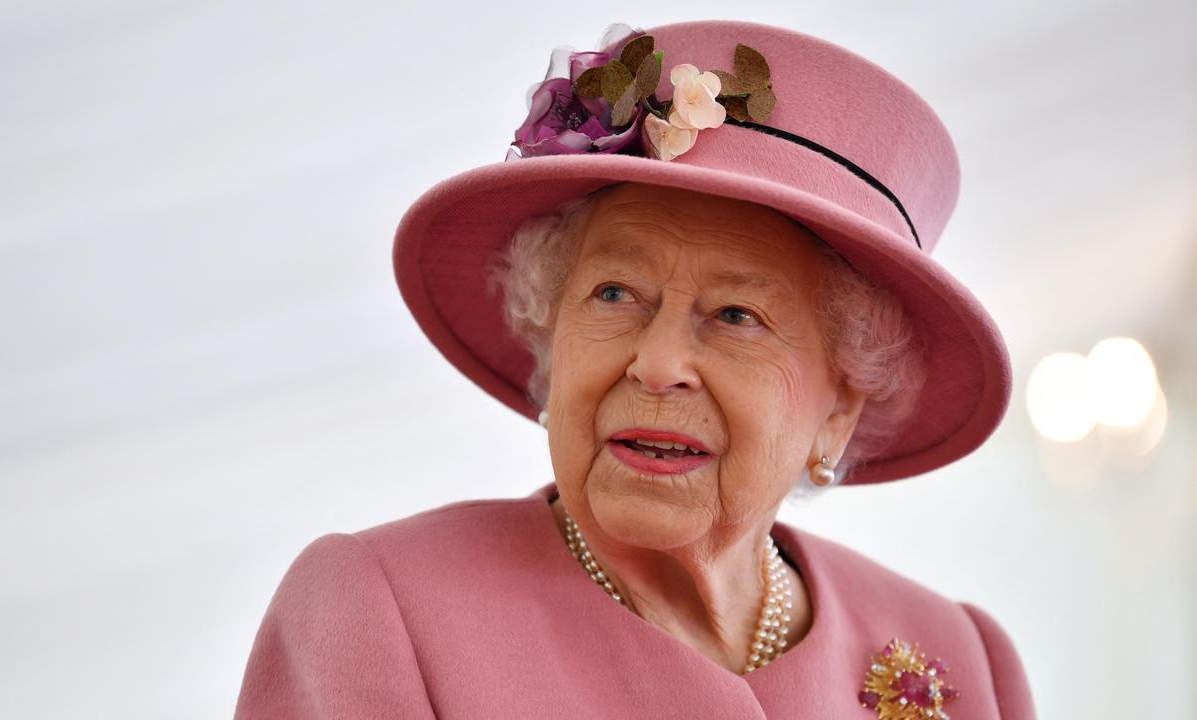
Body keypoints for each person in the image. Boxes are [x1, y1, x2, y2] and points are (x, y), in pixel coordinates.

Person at [234, 20, 1036, 719]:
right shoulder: (381, 610)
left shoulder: (959, 660)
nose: (656, 365)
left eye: (734, 316)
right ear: (551, 337)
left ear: (840, 406)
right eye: (614, 293)